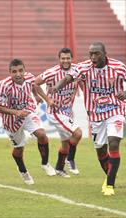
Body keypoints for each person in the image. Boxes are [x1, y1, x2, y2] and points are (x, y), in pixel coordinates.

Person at [51, 42, 126, 196]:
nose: (93, 57)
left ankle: (110, 185)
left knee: (114, 142)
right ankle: (110, 175)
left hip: (116, 109)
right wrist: (57, 87)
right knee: (101, 151)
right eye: (91, 54)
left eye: (97, 54)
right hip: (95, 115)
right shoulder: (83, 67)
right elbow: (69, 77)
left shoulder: (118, 66)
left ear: (104, 53)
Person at [0, 58, 56, 185]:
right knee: (19, 148)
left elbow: (34, 86)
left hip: (28, 111)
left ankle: (45, 163)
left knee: (42, 135)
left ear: (24, 70)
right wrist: (16, 112)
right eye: (14, 71)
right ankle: (23, 171)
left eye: (21, 70)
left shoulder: (29, 77)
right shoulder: (4, 85)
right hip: (11, 121)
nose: (18, 74)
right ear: (10, 72)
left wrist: (38, 96)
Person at [35, 48, 82, 177]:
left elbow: (82, 82)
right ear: (59, 59)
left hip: (67, 112)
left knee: (66, 145)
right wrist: (47, 99)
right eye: (63, 58)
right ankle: (70, 159)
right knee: (77, 133)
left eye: (68, 58)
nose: (65, 61)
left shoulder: (77, 71)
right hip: (55, 111)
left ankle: (59, 168)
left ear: (72, 59)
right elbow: (36, 83)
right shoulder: (52, 72)